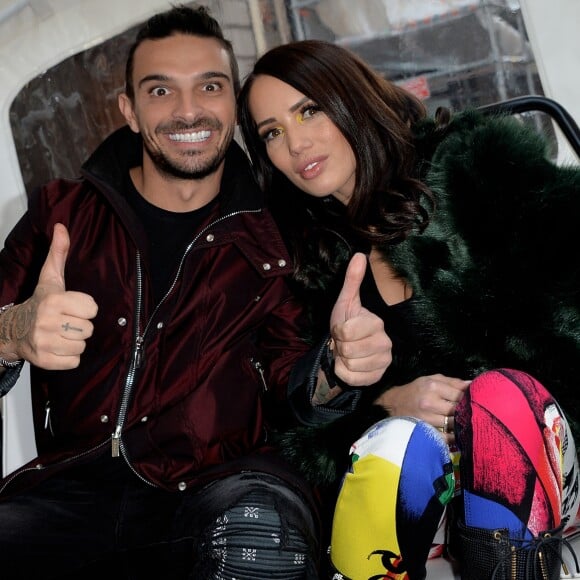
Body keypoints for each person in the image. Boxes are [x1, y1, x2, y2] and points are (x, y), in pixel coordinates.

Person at [0, 10, 393, 580]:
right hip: (70, 488)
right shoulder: (60, 214)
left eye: (209, 86)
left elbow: (293, 382)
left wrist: (336, 367)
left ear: (233, 103)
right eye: (161, 90)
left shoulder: (277, 229)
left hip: (228, 485)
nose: (188, 111)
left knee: (261, 537)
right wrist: (13, 333)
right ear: (129, 111)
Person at [238, 39, 580, 579]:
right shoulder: (309, 263)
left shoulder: (473, 169)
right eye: (272, 133)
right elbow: (296, 428)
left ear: (349, 97)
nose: (295, 144)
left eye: (309, 111)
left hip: (549, 447)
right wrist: (387, 401)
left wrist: (488, 406)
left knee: (497, 402)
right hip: (434, 500)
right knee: (395, 446)